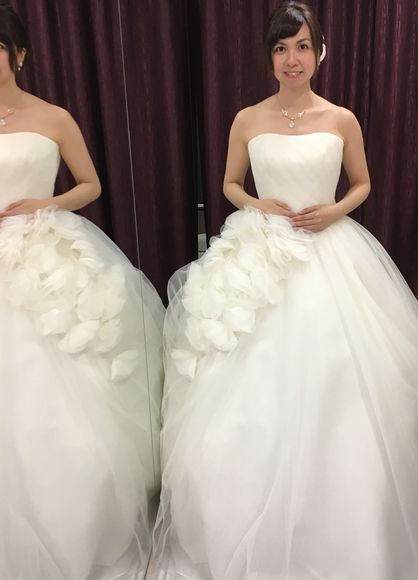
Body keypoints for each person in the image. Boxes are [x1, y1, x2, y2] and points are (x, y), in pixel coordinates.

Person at [151, 2, 418, 579]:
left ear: (320, 52)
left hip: (331, 249)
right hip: (261, 252)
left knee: (343, 379)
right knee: (249, 381)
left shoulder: (341, 119)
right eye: (281, 48)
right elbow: (229, 183)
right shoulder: (247, 119)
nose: (293, 59)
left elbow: (362, 183)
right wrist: (256, 204)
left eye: (302, 47)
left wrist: (334, 210)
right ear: (270, 58)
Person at [0, 4, 164, 579]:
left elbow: (90, 184)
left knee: (64, 376)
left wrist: (45, 204)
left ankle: (78, 516)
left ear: (19, 54)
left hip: (47, 252)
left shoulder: (54, 117)